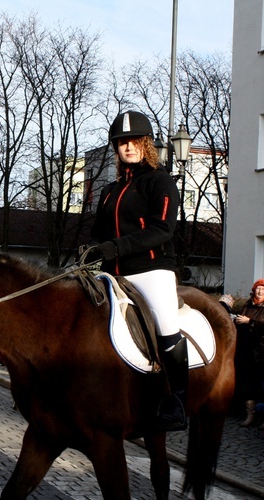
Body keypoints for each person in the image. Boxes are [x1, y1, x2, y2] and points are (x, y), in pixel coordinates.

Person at [88, 110, 186, 432]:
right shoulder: (108, 191)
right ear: (116, 148)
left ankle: (177, 400)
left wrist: (116, 248)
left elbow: (163, 229)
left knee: (165, 324)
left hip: (151, 270)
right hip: (112, 274)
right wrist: (90, 253)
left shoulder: (160, 181)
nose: (128, 147)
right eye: (122, 142)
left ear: (146, 144)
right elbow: (99, 235)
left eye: (134, 141)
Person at [233, 279, 264, 427]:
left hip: (263, 351)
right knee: (247, 383)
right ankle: (250, 415)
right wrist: (237, 321)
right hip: (246, 349)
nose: (260, 292)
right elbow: (242, 323)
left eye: (263, 289)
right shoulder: (247, 305)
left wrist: (249, 322)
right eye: (258, 289)